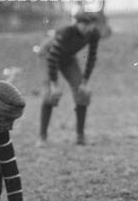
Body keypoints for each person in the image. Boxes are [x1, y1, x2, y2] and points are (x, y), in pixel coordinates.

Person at [39, 11, 101, 145]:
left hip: (67, 58)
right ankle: (42, 137)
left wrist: (85, 82)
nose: (85, 28)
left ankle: (80, 136)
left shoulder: (94, 34)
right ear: (76, 23)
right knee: (51, 94)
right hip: (48, 55)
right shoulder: (66, 32)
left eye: (88, 25)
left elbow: (91, 57)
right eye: (82, 24)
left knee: (81, 93)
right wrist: (54, 84)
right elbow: (52, 57)